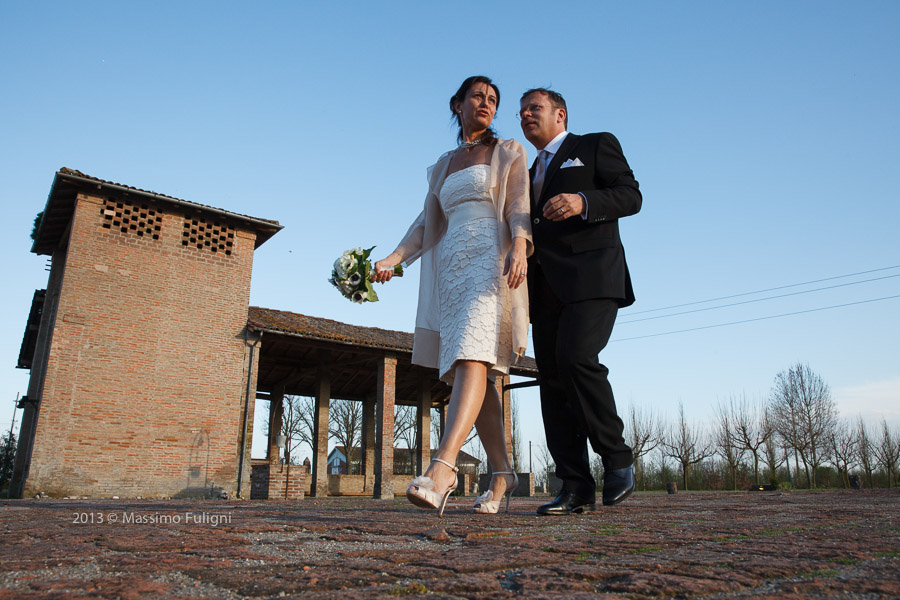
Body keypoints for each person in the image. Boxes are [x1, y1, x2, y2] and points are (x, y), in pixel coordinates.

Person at [372, 76, 532, 515]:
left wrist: (520, 244)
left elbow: (519, 203)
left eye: (493, 100)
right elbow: (426, 225)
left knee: (471, 358)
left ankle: (442, 471)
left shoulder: (507, 152)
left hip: (492, 261)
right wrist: (390, 259)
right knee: (476, 368)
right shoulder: (442, 165)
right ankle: (502, 473)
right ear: (457, 104)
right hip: (452, 270)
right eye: (477, 96)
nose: (486, 103)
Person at [518, 87, 641, 515]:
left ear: (560, 114)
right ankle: (574, 485)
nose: (525, 115)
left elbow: (631, 196)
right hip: (543, 289)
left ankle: (617, 458)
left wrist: (583, 201)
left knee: (575, 358)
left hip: (592, 277)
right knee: (551, 381)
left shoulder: (593, 145)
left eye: (534, 108)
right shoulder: (527, 169)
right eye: (521, 112)